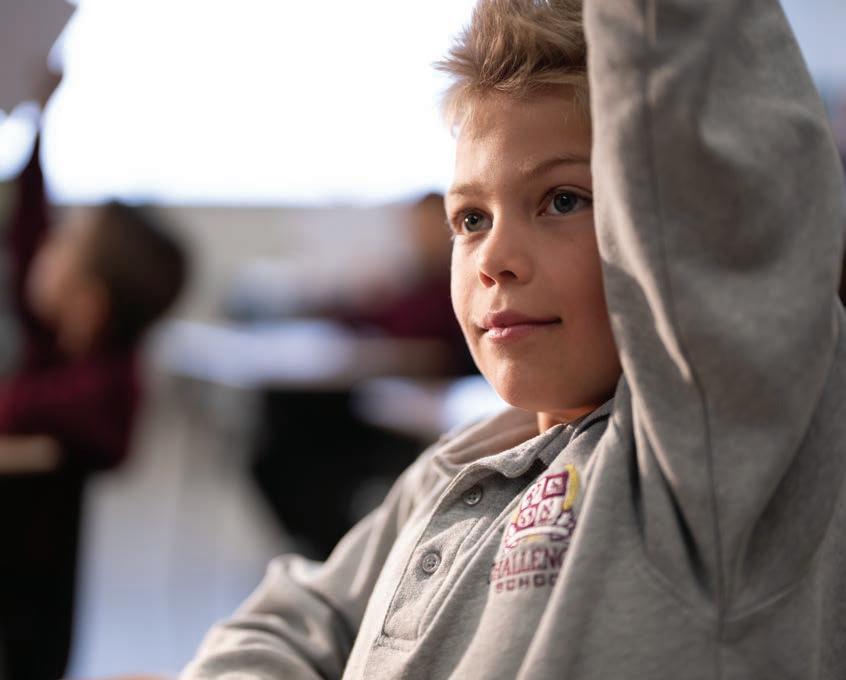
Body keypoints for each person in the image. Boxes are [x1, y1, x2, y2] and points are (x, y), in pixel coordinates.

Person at [182, 0, 846, 678]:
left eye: (563, 200)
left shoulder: (709, 451)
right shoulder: (458, 464)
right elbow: (297, 620)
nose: (493, 257)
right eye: (471, 218)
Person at [0, 135, 187, 680]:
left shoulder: (103, 383)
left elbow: (15, 409)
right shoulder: (60, 343)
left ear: (88, 300)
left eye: (64, 243)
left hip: (34, 620)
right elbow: (26, 230)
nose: (45, 245)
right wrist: (37, 127)